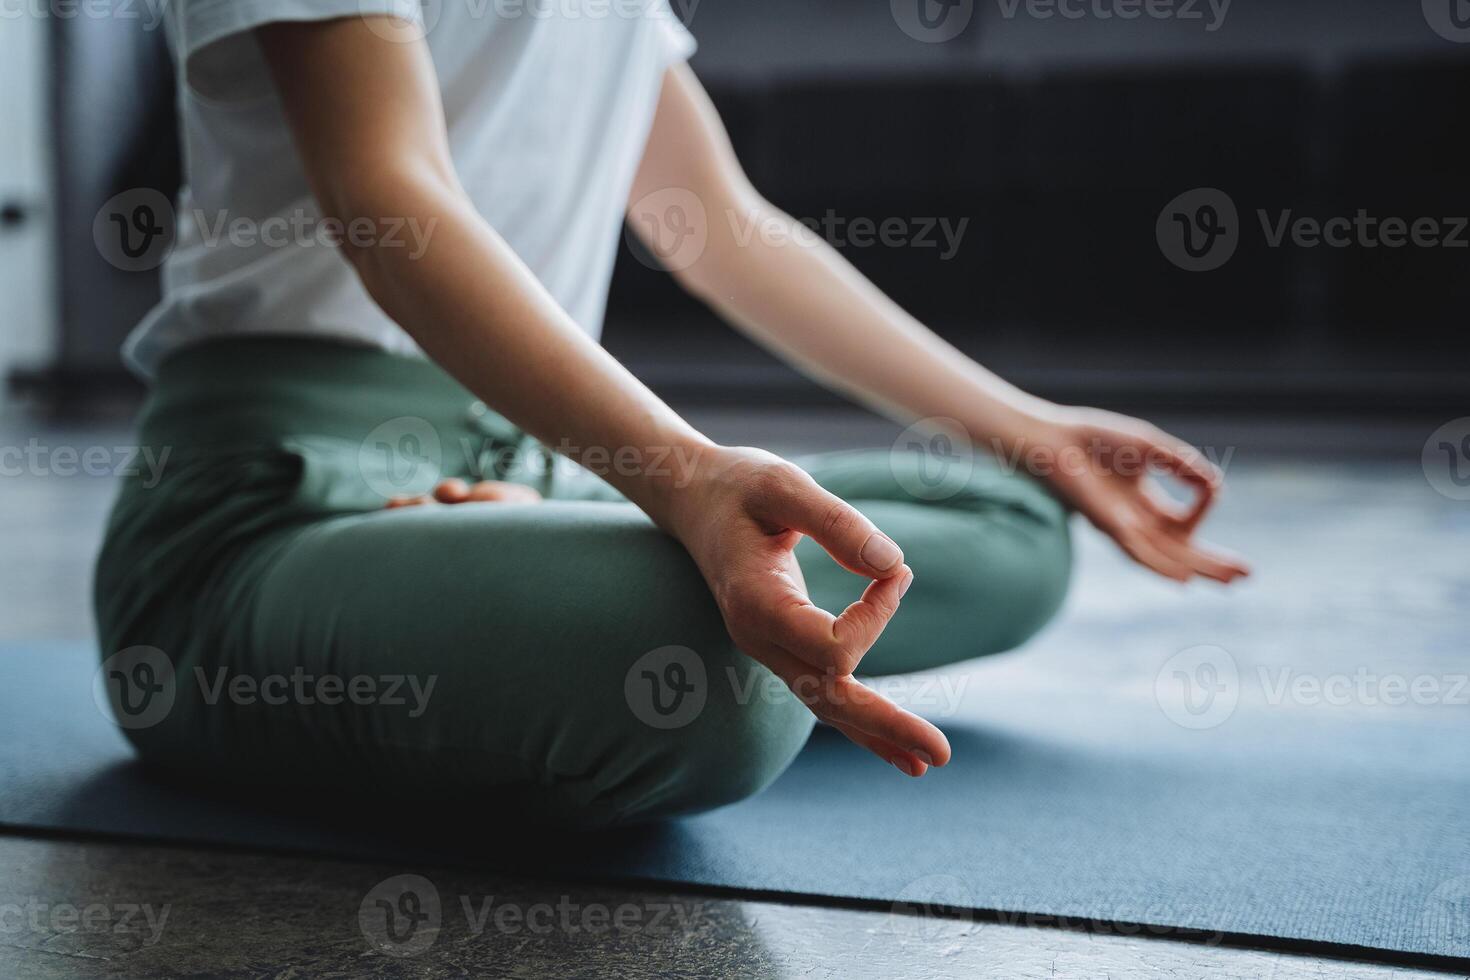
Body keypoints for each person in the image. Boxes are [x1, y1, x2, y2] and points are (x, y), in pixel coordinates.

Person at [94, 1, 1247, 828]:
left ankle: (512, 551)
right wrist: (684, 480)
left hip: (537, 460)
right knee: (716, 675)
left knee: (1009, 523)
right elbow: (395, 198)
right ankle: (521, 568)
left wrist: (1028, 428)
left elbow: (724, 228)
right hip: (269, 515)